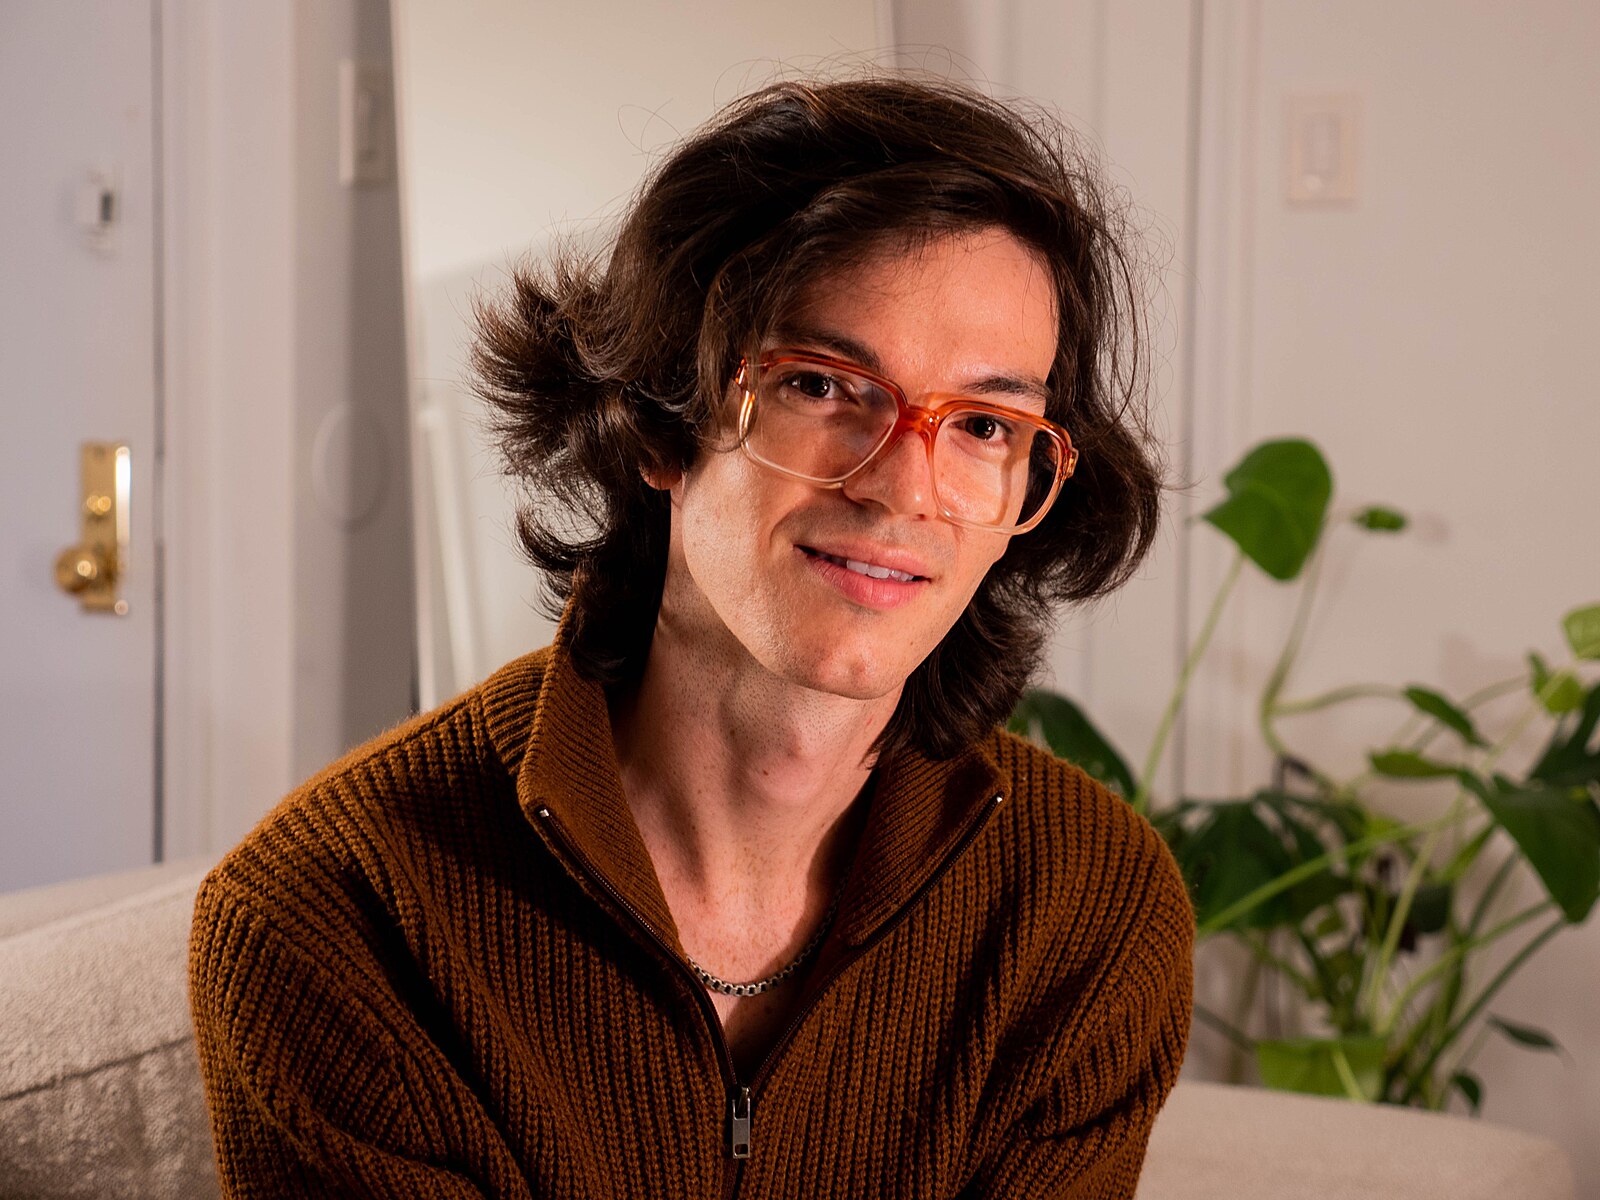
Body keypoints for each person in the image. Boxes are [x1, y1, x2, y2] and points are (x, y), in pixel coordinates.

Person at [188, 74, 1192, 1199]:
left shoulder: (1087, 907)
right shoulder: (337, 918)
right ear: (659, 423)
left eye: (983, 426)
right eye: (822, 385)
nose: (905, 488)